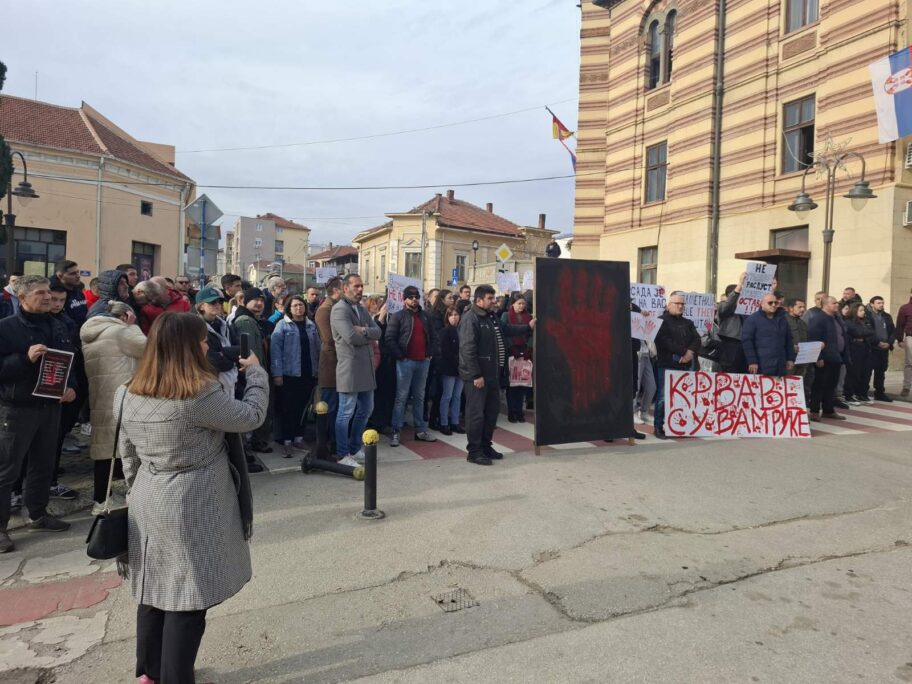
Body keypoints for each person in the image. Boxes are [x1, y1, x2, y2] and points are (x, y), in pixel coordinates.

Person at [115, 312, 267, 684]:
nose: (206, 346)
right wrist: (257, 374)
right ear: (187, 347)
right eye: (202, 341)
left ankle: (149, 673)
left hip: (148, 495)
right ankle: (175, 677)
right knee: (187, 597)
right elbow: (251, 416)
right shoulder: (198, 394)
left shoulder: (127, 390)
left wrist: (139, 492)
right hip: (192, 500)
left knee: (153, 589)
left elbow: (127, 454)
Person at [0, 276, 78, 553]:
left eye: (49, 292)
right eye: (40, 293)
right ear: (21, 297)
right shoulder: (6, 328)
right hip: (18, 407)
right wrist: (24, 358)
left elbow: (71, 361)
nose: (47, 297)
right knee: (7, 469)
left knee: (43, 464)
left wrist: (71, 387)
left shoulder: (58, 325)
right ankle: (1, 529)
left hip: (51, 406)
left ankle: (37, 513)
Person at [80, 300, 147, 512]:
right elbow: (149, 348)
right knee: (131, 447)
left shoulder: (92, 332)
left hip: (101, 395)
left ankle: (101, 498)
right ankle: (130, 495)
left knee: (104, 448)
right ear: (126, 316)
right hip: (125, 396)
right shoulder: (122, 332)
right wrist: (133, 326)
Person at [458, 284, 533, 465]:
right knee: (476, 414)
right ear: (479, 300)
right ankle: (474, 451)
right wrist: (476, 375)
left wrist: (527, 327)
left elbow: (506, 330)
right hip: (478, 377)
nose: (494, 301)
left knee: (491, 413)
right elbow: (468, 349)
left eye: (493, 298)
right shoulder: (471, 318)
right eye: (490, 299)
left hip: (493, 374)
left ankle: (485, 446)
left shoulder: (491, 317)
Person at [331, 274, 382, 463]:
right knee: (345, 413)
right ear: (345, 288)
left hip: (366, 369)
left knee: (366, 410)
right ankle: (343, 453)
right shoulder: (339, 310)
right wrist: (367, 335)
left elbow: (378, 331)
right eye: (356, 286)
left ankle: (354, 447)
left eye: (362, 286)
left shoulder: (361, 309)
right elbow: (350, 338)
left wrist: (364, 330)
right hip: (350, 369)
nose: (360, 290)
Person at [386, 285, 438, 447]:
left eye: (416, 297)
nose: (414, 299)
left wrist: (430, 353)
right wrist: (401, 356)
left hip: (423, 361)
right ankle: (396, 430)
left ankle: (420, 430)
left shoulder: (426, 316)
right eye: (411, 297)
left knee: (420, 397)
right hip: (406, 362)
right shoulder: (398, 316)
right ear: (404, 299)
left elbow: (434, 337)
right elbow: (389, 338)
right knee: (401, 397)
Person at [271, 295, 321, 457]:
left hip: (308, 373)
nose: (299, 308)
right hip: (289, 374)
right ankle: (287, 441)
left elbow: (318, 349)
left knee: (303, 408)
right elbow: (276, 351)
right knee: (288, 409)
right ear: (289, 309)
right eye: (295, 306)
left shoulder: (311, 326)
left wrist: (318, 371)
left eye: (301, 305)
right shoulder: (282, 326)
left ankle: (299, 438)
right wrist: (277, 374)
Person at [653, 292, 701, 440]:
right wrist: (684, 352)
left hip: (685, 364)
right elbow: (663, 341)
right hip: (667, 363)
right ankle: (658, 427)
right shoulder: (661, 321)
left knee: (683, 397)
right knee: (663, 397)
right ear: (669, 305)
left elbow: (697, 339)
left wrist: (690, 352)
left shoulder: (688, 323)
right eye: (677, 303)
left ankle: (680, 426)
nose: (680, 306)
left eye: (682, 304)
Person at [233, 288, 273, 454]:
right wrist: (257, 372)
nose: (259, 303)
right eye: (255, 300)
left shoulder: (252, 320)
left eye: (262, 301)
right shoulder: (245, 321)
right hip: (251, 373)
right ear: (244, 301)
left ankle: (253, 444)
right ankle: (250, 447)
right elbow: (250, 350)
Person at [807, 296, 849, 421]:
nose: (837, 305)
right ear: (825, 305)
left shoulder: (836, 318)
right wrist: (818, 357)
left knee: (831, 385)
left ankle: (828, 409)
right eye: (834, 303)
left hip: (836, 356)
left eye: (837, 303)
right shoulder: (818, 319)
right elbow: (813, 338)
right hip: (824, 358)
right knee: (819, 385)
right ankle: (814, 410)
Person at [315, 277, 343, 452]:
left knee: (339, 407)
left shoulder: (338, 308)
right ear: (336, 290)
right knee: (330, 408)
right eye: (344, 287)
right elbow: (329, 340)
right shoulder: (325, 310)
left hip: (341, 366)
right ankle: (329, 443)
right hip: (332, 366)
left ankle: (336, 441)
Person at [741, 293, 795, 377]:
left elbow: (789, 340)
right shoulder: (752, 319)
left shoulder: (782, 319)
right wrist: (752, 361)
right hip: (761, 365)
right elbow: (747, 342)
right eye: (770, 303)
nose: (773, 305)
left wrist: (790, 359)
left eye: (776, 303)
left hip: (780, 365)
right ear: (762, 304)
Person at [501, 293, 533, 422]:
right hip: (511, 352)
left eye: (523, 303)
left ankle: (520, 411)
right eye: (519, 303)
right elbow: (504, 332)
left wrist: (528, 348)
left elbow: (531, 333)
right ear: (513, 304)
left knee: (523, 383)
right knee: (512, 384)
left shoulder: (528, 316)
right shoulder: (506, 315)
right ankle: (511, 411)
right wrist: (512, 348)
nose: (521, 306)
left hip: (525, 352)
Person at [437, 306, 465, 435]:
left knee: (457, 396)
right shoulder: (445, 331)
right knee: (447, 396)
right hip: (449, 368)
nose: (454, 317)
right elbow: (445, 351)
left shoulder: (462, 330)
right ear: (447, 317)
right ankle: (444, 423)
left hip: (461, 368)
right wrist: (457, 361)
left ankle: (455, 422)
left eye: (456, 314)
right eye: (451, 315)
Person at [843, 303, 875, 404]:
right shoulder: (849, 322)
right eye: (860, 310)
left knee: (864, 372)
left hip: (865, 348)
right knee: (853, 372)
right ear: (854, 311)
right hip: (854, 349)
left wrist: (864, 332)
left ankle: (860, 394)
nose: (863, 312)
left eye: (863, 310)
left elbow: (872, 331)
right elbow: (858, 332)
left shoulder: (865, 321)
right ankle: (848, 395)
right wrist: (864, 332)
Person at [866, 296, 895, 402]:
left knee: (881, 371)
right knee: (867, 371)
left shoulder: (887, 316)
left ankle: (879, 393)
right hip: (872, 348)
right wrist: (878, 342)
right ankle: (864, 392)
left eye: (882, 302)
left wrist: (889, 343)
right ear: (872, 304)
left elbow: (892, 331)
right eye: (878, 303)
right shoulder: (867, 316)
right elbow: (868, 331)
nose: (881, 305)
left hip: (884, 348)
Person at [716, 275, 747, 373]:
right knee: (730, 370)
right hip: (731, 343)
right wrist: (739, 287)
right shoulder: (724, 306)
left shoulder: (745, 309)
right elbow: (728, 305)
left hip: (745, 343)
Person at [49, 259, 88, 329]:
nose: (78, 276)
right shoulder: (52, 292)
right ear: (60, 276)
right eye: (73, 274)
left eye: (77, 272)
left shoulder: (78, 289)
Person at [896, 287, 912, 398]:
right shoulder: (905, 308)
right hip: (910, 338)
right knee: (909, 363)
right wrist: (900, 339)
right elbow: (900, 325)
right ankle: (906, 387)